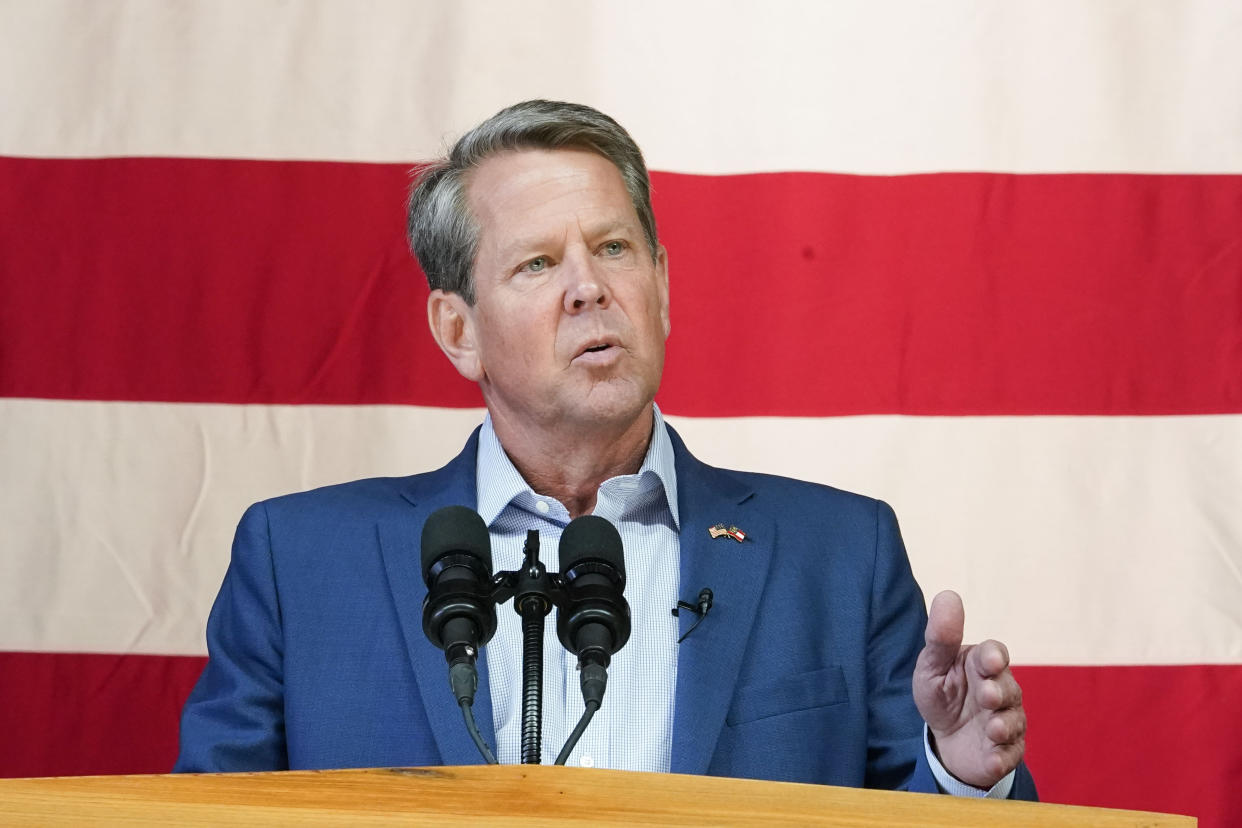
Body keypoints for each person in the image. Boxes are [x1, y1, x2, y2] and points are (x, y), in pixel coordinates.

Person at [175, 100, 1035, 798]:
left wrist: (958, 772)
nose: (590, 288)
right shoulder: (300, 563)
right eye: (539, 264)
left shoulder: (839, 556)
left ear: (660, 285)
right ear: (458, 329)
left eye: (614, 249)